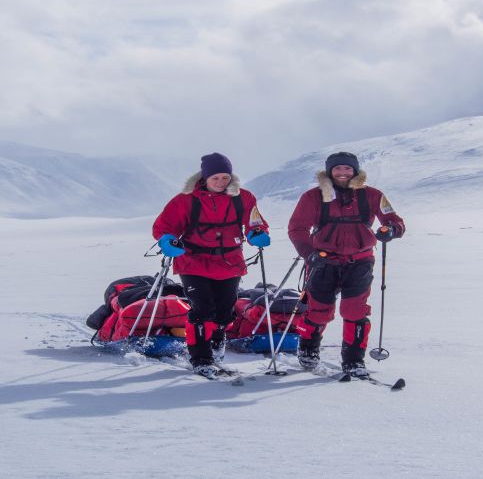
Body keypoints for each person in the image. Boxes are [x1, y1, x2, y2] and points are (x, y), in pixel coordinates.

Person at [287, 151, 405, 377]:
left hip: (359, 262)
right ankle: (308, 348)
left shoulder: (373, 195)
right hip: (323, 262)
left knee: (355, 311)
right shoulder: (313, 197)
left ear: (355, 171)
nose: (342, 173)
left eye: (347, 169)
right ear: (329, 172)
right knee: (319, 312)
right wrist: (309, 253)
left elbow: (395, 221)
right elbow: (297, 229)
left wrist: (390, 230)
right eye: (338, 169)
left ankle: (353, 361)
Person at [153, 152, 270, 377]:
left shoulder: (243, 198)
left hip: (230, 262)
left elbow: (255, 222)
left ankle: (216, 347)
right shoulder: (185, 199)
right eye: (215, 177)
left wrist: (258, 233)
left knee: (225, 311)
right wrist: (167, 240)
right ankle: (200, 358)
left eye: (225, 177)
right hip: (193, 262)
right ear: (205, 177)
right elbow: (164, 226)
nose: (221, 182)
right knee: (202, 309)